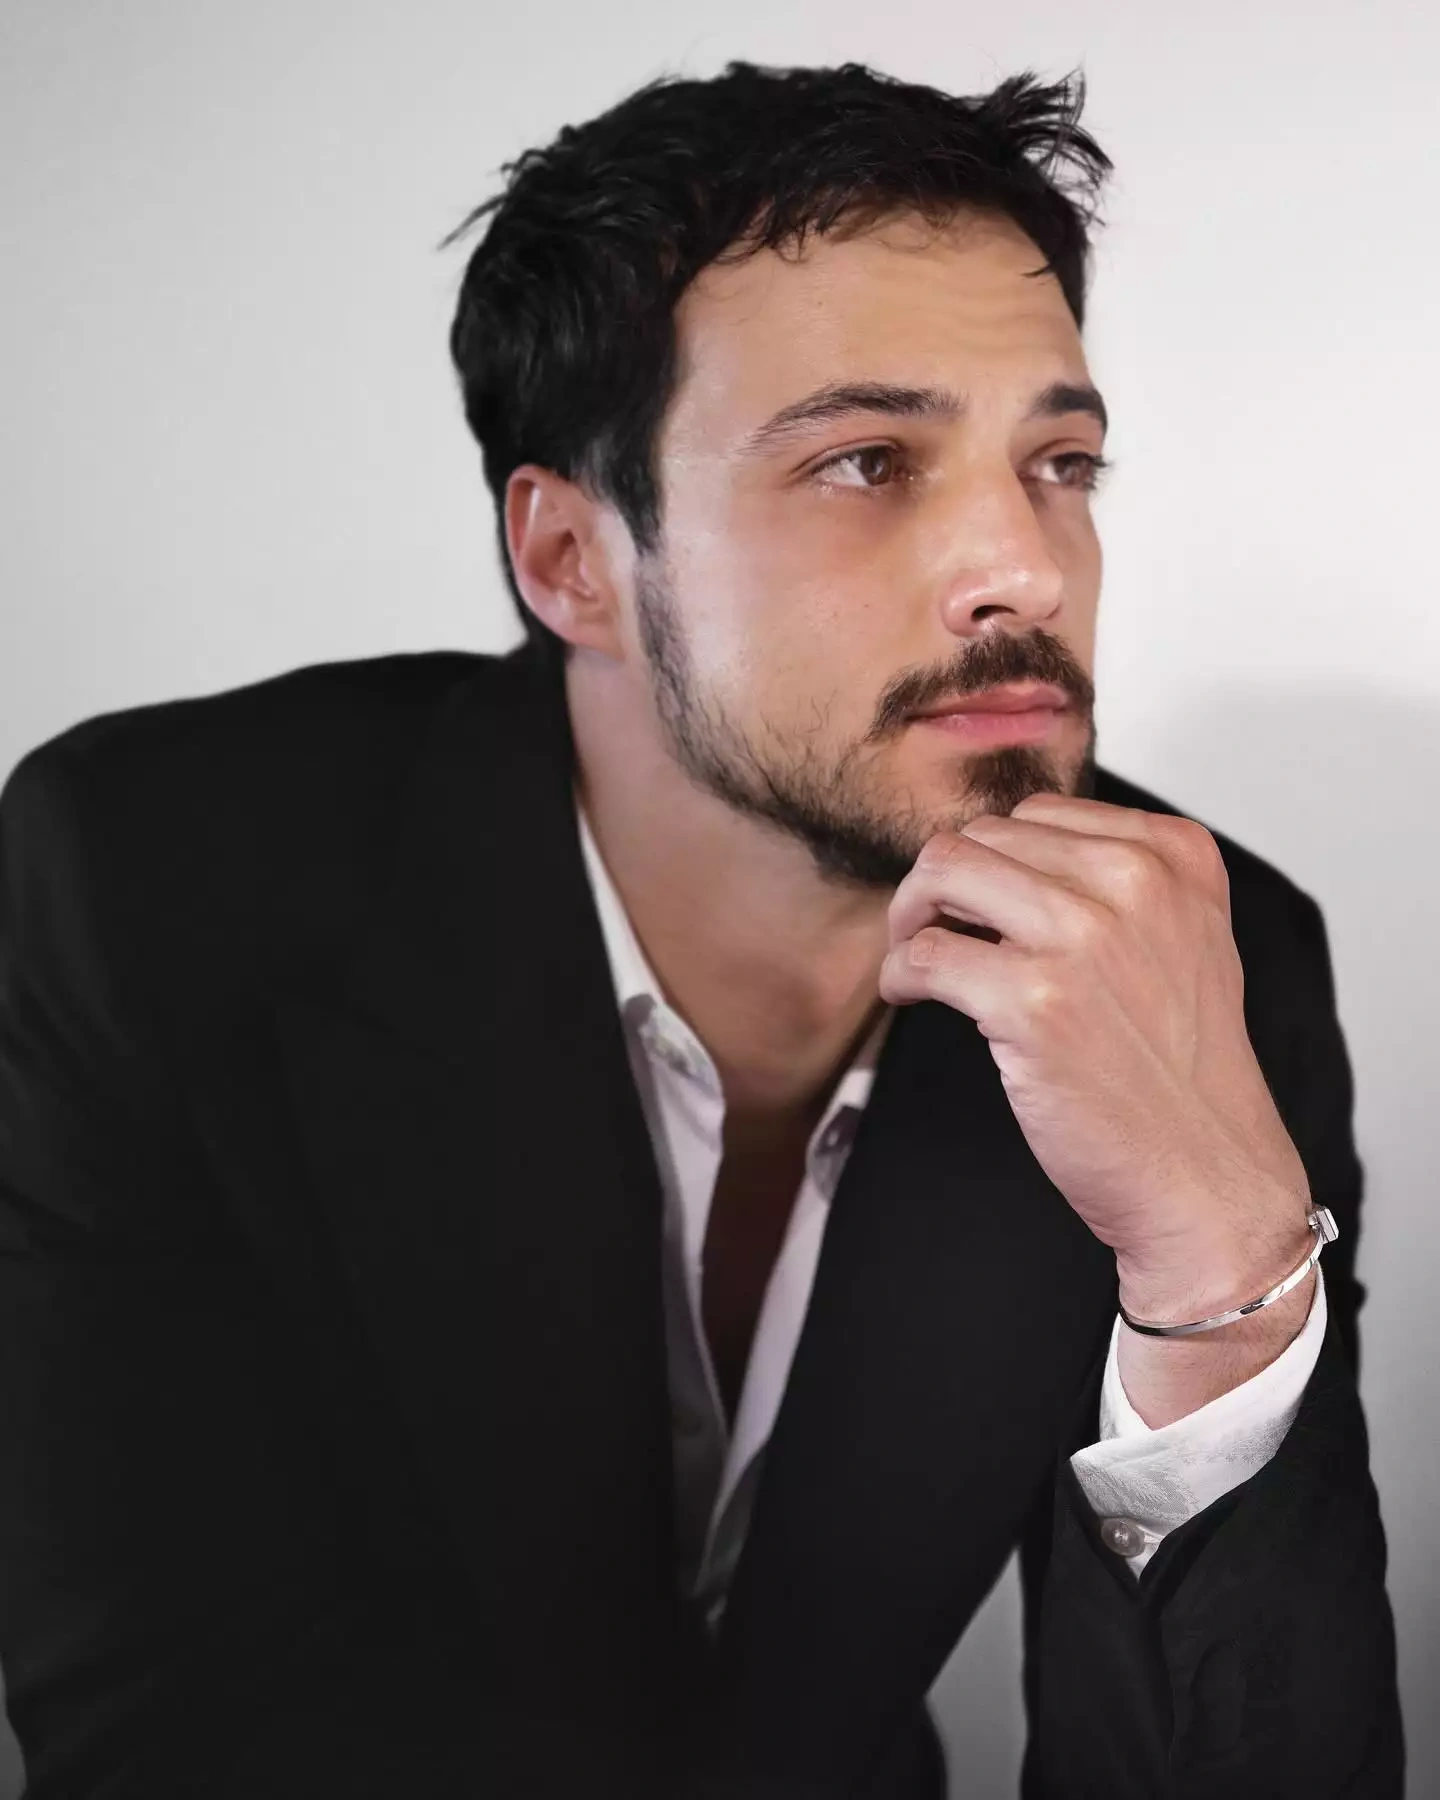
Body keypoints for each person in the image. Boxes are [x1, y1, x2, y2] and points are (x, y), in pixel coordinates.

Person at [0, 59, 1403, 1800]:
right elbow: (156, 1726)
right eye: (867, 461)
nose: (1027, 568)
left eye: (1062, 462)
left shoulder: (1203, 956)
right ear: (571, 560)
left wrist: (1223, 1280)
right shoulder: (153, 882)